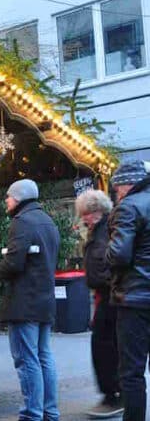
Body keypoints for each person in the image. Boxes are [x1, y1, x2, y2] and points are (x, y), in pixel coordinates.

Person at [0, 179, 60, 421]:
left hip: (23, 302)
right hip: (44, 300)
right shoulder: (48, 221)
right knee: (44, 356)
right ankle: (50, 412)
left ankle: (32, 414)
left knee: (27, 360)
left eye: (9, 197)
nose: (7, 201)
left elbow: (14, 262)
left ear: (19, 198)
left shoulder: (21, 222)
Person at [106, 160, 150, 421]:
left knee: (132, 373)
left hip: (135, 299)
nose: (116, 193)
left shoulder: (129, 207)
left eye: (117, 188)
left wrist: (106, 253)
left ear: (127, 184)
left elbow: (119, 255)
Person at [75, 189, 123, 419]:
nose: (84, 218)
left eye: (87, 213)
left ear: (97, 211)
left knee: (105, 346)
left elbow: (111, 261)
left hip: (110, 297)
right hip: (106, 295)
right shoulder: (100, 230)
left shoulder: (106, 231)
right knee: (106, 346)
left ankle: (113, 394)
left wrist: (105, 281)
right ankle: (113, 393)